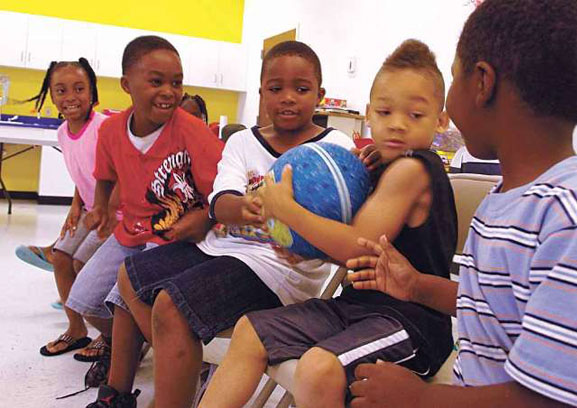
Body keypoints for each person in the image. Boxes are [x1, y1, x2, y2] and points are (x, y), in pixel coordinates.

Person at [344, 1, 577, 407]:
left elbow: (553, 398)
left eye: (453, 76)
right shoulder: (507, 197)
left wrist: (419, 400)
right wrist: (417, 285)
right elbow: (495, 304)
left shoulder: (574, 216)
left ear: (482, 82)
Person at [85, 40, 355, 408]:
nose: (288, 98)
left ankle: (177, 378)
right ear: (261, 93)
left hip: (278, 268)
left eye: (301, 89)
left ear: (319, 95)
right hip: (220, 247)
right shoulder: (243, 142)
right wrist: (247, 206)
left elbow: (345, 218)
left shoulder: (336, 146)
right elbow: (220, 200)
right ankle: (172, 369)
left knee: (171, 306)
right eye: (276, 89)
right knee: (130, 274)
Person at [200, 39, 456, 408]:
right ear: (369, 113)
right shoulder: (373, 167)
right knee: (250, 330)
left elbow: (357, 246)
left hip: (411, 324)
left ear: (440, 119)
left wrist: (286, 211)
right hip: (356, 307)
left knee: (319, 368)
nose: (397, 125)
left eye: (415, 116)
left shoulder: (412, 170)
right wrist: (297, 246)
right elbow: (349, 253)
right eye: (385, 113)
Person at [60, 34, 222, 391]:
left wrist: (206, 218)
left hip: (174, 238)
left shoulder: (192, 132)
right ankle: (130, 346)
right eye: (156, 81)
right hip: (130, 232)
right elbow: (105, 174)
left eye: (176, 82)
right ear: (126, 85)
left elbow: (225, 191)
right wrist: (100, 206)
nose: (169, 91)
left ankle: (178, 361)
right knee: (86, 301)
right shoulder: (113, 130)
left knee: (126, 302)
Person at [15, 58, 118, 359]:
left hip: (115, 212)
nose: (70, 97)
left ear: (92, 92)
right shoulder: (62, 132)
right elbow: (84, 173)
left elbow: (119, 173)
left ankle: (110, 334)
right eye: (60, 90)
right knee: (60, 257)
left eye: (79, 88)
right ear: (51, 94)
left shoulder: (104, 128)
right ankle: (76, 330)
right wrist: (75, 206)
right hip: (89, 210)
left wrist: (107, 212)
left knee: (81, 264)